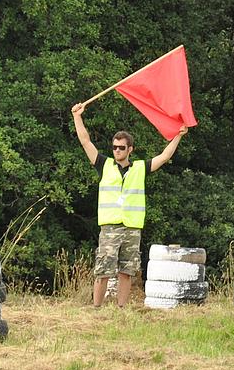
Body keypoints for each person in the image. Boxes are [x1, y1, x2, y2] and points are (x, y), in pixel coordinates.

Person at [71, 102, 188, 307]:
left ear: (130, 149)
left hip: (132, 227)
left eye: (121, 147)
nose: (117, 150)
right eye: (114, 147)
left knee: (127, 271)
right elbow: (85, 141)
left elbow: (165, 156)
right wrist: (77, 117)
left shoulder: (140, 168)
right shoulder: (104, 164)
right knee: (103, 270)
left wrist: (178, 135)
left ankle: (122, 309)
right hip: (110, 227)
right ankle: (96, 309)